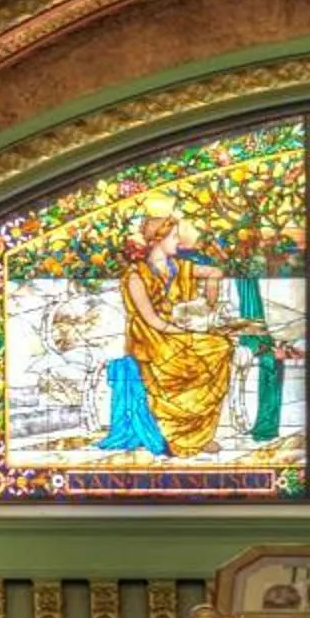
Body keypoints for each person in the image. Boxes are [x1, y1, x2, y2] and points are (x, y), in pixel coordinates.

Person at [102, 196, 240, 457]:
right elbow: (152, 320)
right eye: (175, 237)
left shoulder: (180, 267)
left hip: (176, 331)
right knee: (201, 352)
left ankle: (197, 434)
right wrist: (191, 331)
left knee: (220, 346)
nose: (180, 242)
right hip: (151, 340)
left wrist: (208, 306)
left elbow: (216, 273)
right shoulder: (136, 276)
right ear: (157, 240)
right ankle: (177, 434)